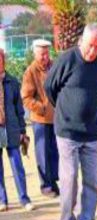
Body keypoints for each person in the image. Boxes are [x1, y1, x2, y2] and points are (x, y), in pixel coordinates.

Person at [45, 24, 97, 220]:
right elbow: (50, 87)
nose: (93, 51)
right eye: (91, 45)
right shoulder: (67, 59)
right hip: (67, 132)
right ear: (82, 41)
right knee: (70, 178)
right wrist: (66, 111)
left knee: (91, 180)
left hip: (92, 133)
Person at [21, 39, 59, 198]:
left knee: (55, 152)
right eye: (41, 54)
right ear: (35, 54)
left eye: (46, 53)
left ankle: (53, 181)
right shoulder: (30, 71)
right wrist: (42, 108)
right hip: (40, 119)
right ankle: (46, 185)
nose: (45, 57)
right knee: (42, 154)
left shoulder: (55, 66)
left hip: (57, 118)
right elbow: (26, 97)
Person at [0, 48, 35, 212]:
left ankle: (24, 198)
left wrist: (22, 130)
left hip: (12, 129)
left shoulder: (12, 82)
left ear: (3, 61)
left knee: (17, 165)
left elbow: (19, 109)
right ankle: (2, 200)